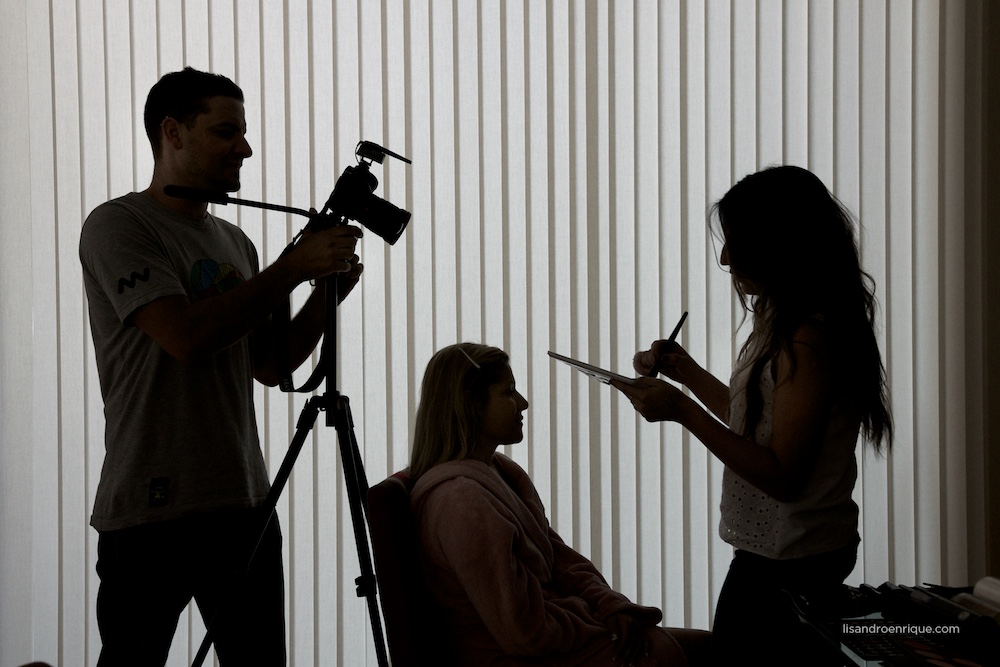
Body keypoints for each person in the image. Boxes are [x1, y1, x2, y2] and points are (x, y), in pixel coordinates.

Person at [79, 67, 365, 666]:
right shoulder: (119, 225)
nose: (246, 148)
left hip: (242, 505)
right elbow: (182, 337)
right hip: (149, 509)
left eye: (244, 132)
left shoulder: (236, 242)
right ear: (173, 133)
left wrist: (324, 296)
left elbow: (270, 364)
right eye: (226, 132)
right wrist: (291, 270)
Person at [612, 165, 893, 665]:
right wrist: (688, 374)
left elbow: (783, 475)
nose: (724, 257)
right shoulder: (780, 320)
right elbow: (760, 424)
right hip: (785, 555)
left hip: (793, 562)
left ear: (777, 244)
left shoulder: (809, 337)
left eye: (735, 242)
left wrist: (681, 411)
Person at [408, 343, 711, 667]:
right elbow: (524, 631)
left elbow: (560, 561)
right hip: (514, 657)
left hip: (555, 637)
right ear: (469, 404)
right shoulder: (463, 504)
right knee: (660, 654)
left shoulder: (501, 476)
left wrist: (610, 607)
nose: (523, 403)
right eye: (508, 392)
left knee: (707, 647)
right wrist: (602, 627)